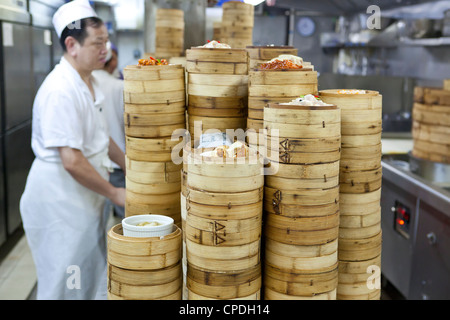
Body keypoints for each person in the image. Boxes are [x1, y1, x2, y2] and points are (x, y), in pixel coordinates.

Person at [20, 0, 125, 300]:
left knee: (86, 275)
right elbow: (72, 161)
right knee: (66, 280)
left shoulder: (88, 81)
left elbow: (99, 138)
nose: (105, 49)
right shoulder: (60, 90)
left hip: (82, 199)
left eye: (106, 41)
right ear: (72, 44)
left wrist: (129, 165)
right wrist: (114, 192)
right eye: (98, 43)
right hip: (59, 202)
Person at [93, 43, 126, 219]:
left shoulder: (87, 83)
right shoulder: (118, 86)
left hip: (98, 164)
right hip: (117, 163)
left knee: (102, 216)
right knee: (124, 219)